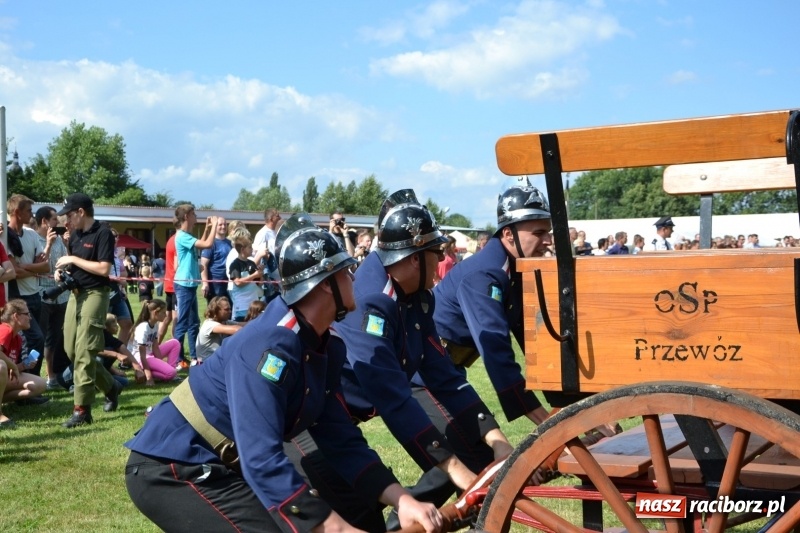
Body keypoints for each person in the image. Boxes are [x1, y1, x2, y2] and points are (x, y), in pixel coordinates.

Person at [124, 213, 442, 533]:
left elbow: (339, 438)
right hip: (172, 466)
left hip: (218, 462)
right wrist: (340, 529)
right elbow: (262, 458)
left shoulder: (324, 347)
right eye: (346, 272)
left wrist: (402, 499)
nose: (356, 279)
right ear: (325, 285)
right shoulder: (272, 346)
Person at [323, 189, 514, 529]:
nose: (443, 261)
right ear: (413, 258)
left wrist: (494, 437)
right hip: (309, 423)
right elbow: (393, 399)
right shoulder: (374, 301)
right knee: (358, 513)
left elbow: (444, 375)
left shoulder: (415, 296)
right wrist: (458, 471)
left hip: (339, 418)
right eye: (436, 252)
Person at [55, 193, 123, 428]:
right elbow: (76, 265)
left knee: (84, 352)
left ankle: (82, 410)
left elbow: (104, 268)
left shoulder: (102, 233)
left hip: (95, 294)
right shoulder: (75, 235)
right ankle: (111, 386)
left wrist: (71, 257)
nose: (67, 221)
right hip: (75, 294)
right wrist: (63, 271)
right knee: (71, 349)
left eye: (69, 215)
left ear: (81, 212)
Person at [6, 194, 47, 377]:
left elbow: (46, 266)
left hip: (35, 294)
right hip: (18, 299)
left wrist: (26, 268)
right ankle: (27, 380)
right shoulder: (5, 236)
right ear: (17, 212)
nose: (32, 214)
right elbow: (13, 272)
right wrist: (35, 269)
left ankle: (31, 379)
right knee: (35, 339)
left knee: (37, 341)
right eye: (29, 211)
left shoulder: (31, 234)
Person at [172, 205, 218, 365]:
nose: (196, 216)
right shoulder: (182, 236)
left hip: (190, 285)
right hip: (184, 285)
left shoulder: (186, 235)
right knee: (183, 323)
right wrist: (215, 226)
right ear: (186, 216)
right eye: (193, 214)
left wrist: (207, 228)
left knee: (193, 323)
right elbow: (207, 245)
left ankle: (194, 357)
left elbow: (202, 242)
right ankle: (176, 360)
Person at [34, 206, 70, 390]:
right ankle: (37, 378)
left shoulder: (60, 241)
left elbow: (66, 262)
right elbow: (41, 266)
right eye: (55, 219)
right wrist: (47, 245)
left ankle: (52, 376)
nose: (59, 223)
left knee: (54, 338)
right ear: (44, 221)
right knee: (39, 337)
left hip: (61, 295)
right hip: (42, 295)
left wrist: (67, 245)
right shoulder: (35, 239)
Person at [0, 299, 49, 413]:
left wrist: (22, 365)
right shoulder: (4, 329)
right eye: (27, 314)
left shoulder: (18, 338)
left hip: (3, 377)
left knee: (40, 385)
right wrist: (13, 365)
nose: (30, 318)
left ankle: (2, 399)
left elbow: (11, 369)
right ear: (16, 316)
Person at [128, 299, 182, 383]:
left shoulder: (155, 325)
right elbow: (142, 355)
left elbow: (155, 347)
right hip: (140, 358)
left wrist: (161, 364)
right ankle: (148, 373)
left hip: (149, 355)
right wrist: (149, 377)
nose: (166, 315)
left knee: (175, 343)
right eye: (163, 312)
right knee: (171, 373)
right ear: (155, 313)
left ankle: (170, 371)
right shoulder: (143, 328)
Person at [195, 296, 241, 363]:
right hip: (206, 365)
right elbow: (237, 330)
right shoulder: (209, 324)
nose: (230, 312)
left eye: (230, 309)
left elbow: (243, 324)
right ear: (216, 310)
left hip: (216, 363)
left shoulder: (224, 322)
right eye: (226, 309)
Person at [200, 216, 232, 305]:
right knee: (215, 311)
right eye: (220, 225)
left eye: (225, 224)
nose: (223, 227)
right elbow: (203, 265)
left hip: (228, 282)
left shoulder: (230, 243)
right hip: (215, 283)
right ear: (215, 226)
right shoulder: (211, 243)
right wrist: (205, 283)